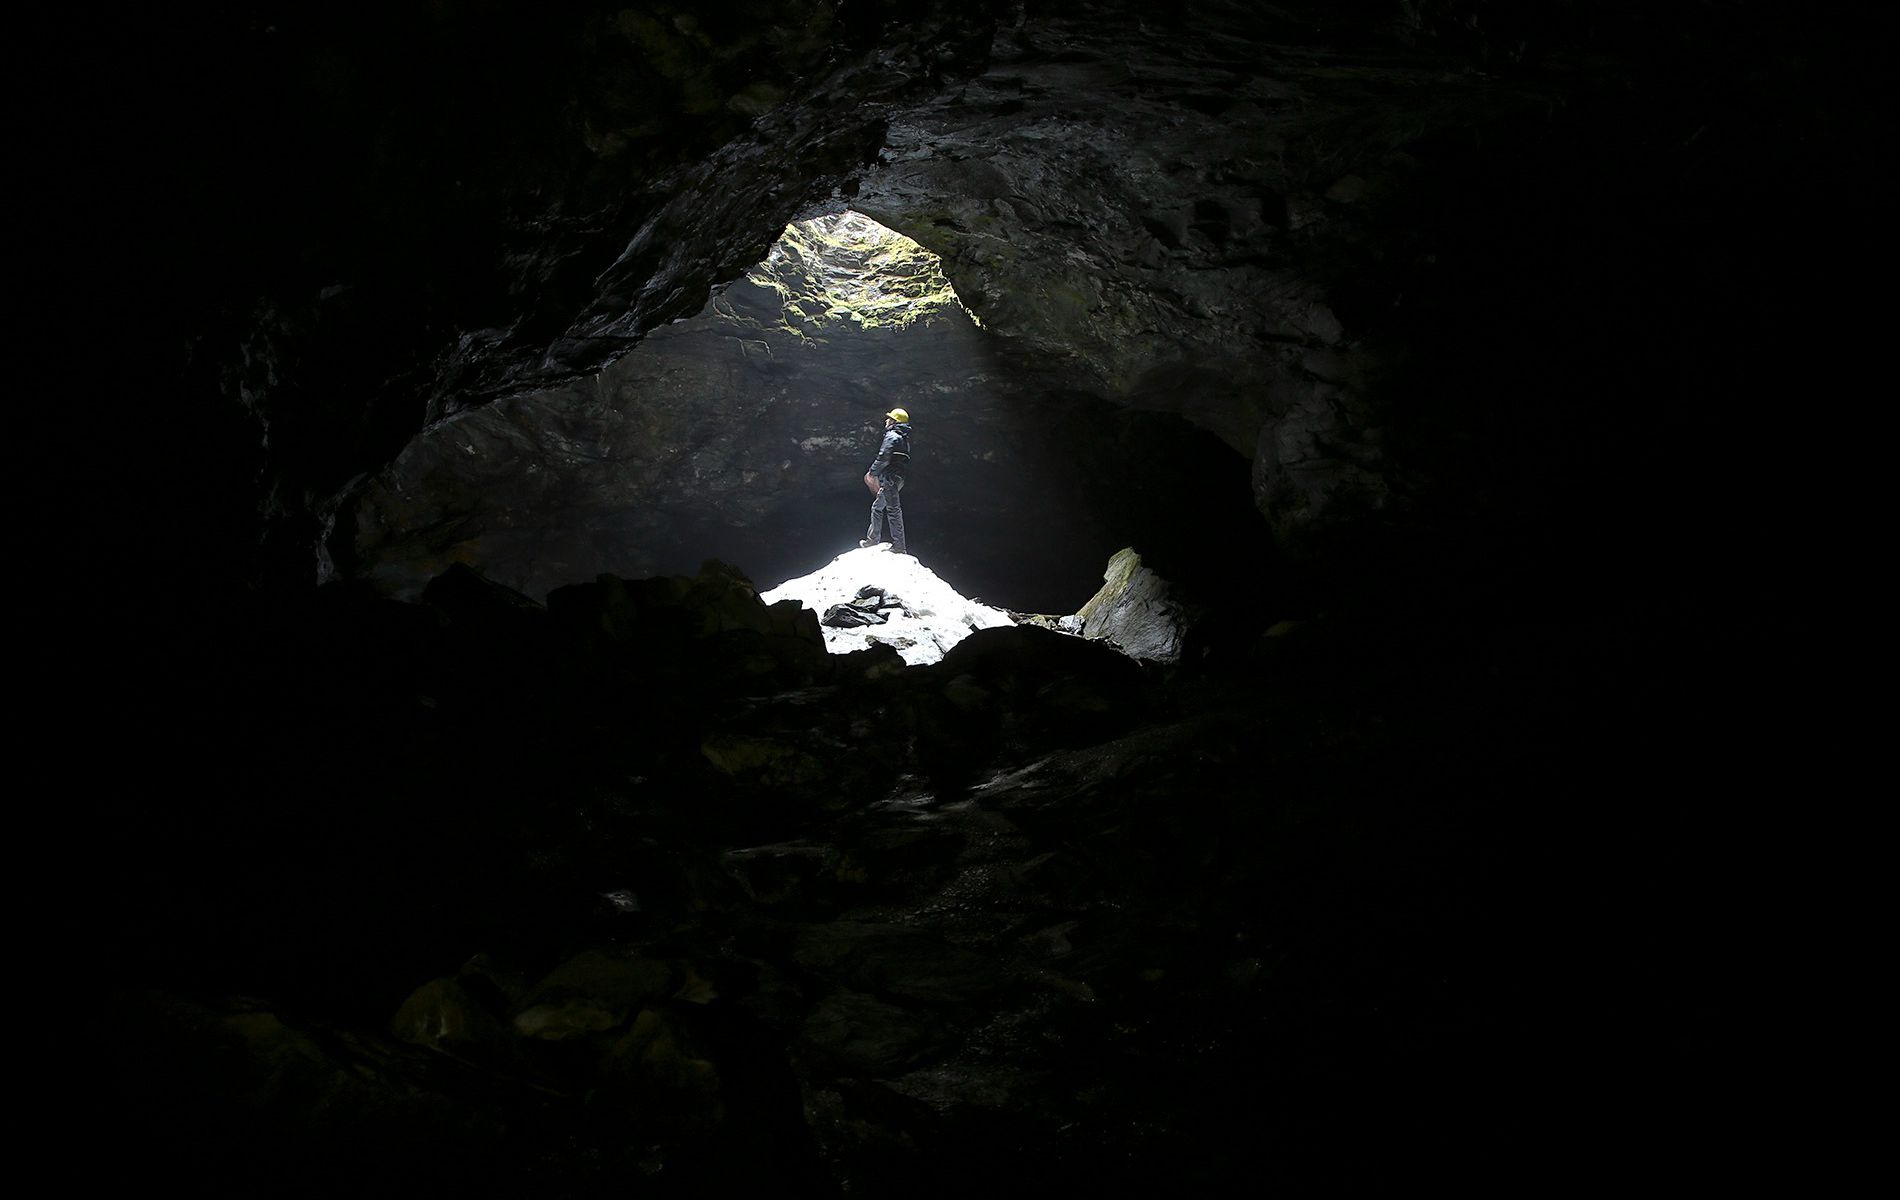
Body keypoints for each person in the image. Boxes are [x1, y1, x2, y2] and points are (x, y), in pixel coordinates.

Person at [860, 407, 912, 555]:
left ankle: (899, 546)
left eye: (889, 418)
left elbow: (883, 456)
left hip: (889, 478)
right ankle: (872, 539)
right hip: (898, 479)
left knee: (893, 510)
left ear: (894, 422)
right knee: (877, 507)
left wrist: (872, 473)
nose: (886, 420)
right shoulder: (904, 440)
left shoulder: (892, 436)